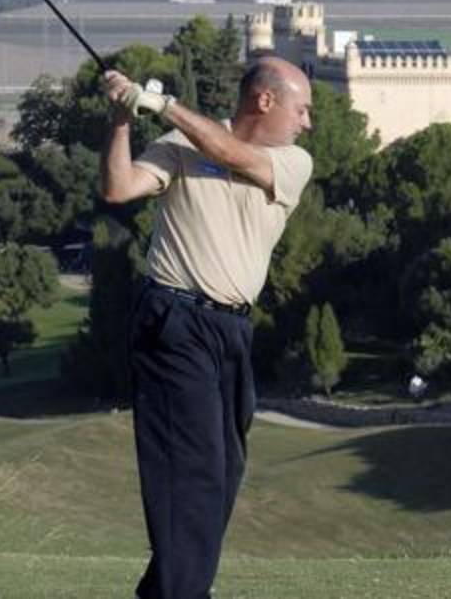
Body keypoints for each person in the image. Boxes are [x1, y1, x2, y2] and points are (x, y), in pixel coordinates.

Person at [100, 57, 313, 598]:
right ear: (266, 100)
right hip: (172, 321)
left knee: (223, 472)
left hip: (232, 331)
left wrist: (162, 104)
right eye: (302, 108)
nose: (307, 121)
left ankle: (169, 589)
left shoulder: (291, 162)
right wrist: (122, 118)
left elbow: (227, 152)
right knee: (191, 471)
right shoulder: (179, 142)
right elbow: (119, 188)